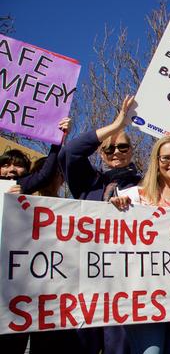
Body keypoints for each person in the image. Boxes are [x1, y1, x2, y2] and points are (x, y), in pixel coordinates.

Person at [59, 96, 140, 354]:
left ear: (132, 151)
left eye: (123, 147)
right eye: (109, 149)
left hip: (125, 290)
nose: (116, 153)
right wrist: (117, 125)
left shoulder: (145, 184)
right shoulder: (88, 182)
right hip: (86, 287)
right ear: (101, 155)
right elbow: (70, 152)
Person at [110, 135, 170, 354]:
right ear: (156, 160)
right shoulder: (135, 196)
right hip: (146, 292)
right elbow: (118, 238)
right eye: (166, 158)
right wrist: (116, 207)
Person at [0, 118, 73, 354]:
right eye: (5, 165)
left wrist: (57, 140)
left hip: (20, 287)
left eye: (18, 166)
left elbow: (44, 175)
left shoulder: (22, 188)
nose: (11, 170)